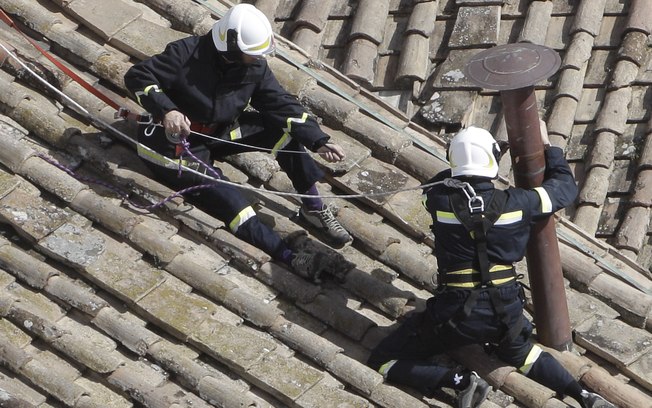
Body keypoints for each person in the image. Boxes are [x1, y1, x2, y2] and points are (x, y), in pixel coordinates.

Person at [366, 124, 615, 408]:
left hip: (454, 313)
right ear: (492, 160)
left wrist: (465, 163)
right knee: (522, 353)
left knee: (382, 360)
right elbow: (564, 189)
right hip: (505, 309)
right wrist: (548, 148)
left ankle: (459, 381)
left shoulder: (436, 200)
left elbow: (438, 181)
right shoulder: (520, 202)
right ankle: (581, 394)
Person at [123, 4, 352, 281]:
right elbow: (138, 76)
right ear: (229, 46)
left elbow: (279, 103)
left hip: (218, 134)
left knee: (284, 132)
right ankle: (288, 256)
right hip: (172, 147)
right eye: (250, 53)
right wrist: (166, 110)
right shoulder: (184, 54)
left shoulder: (254, 67)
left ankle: (313, 207)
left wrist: (318, 140)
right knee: (231, 198)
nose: (255, 59)